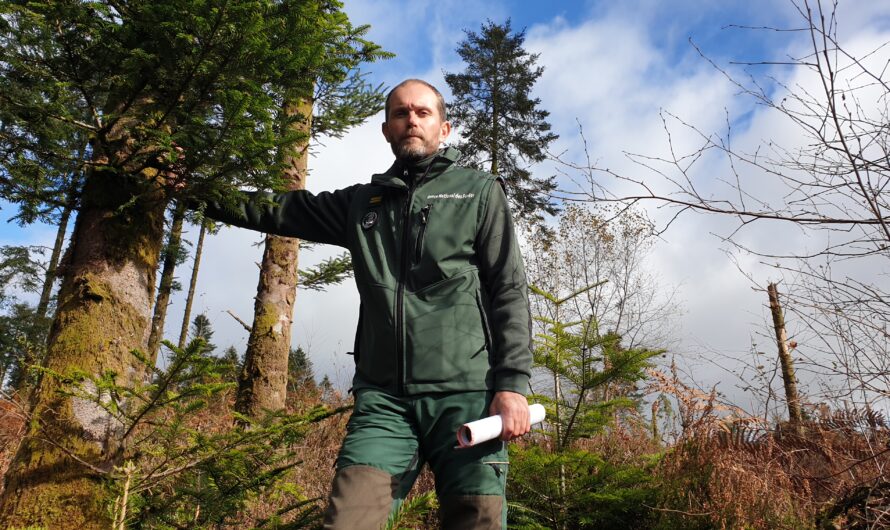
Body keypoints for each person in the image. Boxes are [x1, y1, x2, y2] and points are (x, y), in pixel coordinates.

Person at [200, 79, 533, 529]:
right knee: (348, 521)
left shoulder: (478, 192)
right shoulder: (363, 203)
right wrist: (196, 189)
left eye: (422, 112)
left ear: (444, 127)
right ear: (386, 130)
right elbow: (280, 210)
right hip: (383, 403)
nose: (411, 120)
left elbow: (508, 289)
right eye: (400, 113)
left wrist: (511, 385)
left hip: (467, 396)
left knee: (478, 521)